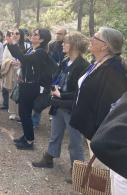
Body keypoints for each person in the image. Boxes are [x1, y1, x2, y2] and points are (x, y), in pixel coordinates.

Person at [32, 32, 90, 183]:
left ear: (75, 46)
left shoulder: (84, 66)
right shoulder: (65, 61)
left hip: (71, 107)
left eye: (66, 42)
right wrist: (54, 88)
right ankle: (49, 158)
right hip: (58, 105)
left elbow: (80, 92)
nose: (63, 44)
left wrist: (60, 94)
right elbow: (57, 77)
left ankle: (78, 171)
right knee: (55, 133)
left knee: (75, 141)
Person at [70, 27, 127, 155]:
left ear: (105, 46)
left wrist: (98, 135)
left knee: (99, 171)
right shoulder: (97, 62)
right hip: (90, 128)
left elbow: (109, 107)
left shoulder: (114, 69)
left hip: (99, 133)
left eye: (95, 37)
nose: (91, 39)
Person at [7, 28, 53, 150]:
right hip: (25, 84)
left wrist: (11, 44)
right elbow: (23, 59)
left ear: (42, 39)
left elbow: (24, 58)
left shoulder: (40, 52)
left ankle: (29, 141)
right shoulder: (31, 49)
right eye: (33, 33)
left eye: (35, 34)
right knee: (24, 113)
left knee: (25, 114)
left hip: (31, 86)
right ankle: (26, 136)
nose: (32, 35)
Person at [0, 29, 21, 118]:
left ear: (21, 35)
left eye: (17, 33)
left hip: (22, 71)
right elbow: (3, 59)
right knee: (12, 91)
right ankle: (12, 112)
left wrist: (20, 63)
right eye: (13, 33)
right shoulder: (7, 46)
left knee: (22, 92)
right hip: (11, 70)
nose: (15, 35)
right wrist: (10, 62)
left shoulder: (26, 45)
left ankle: (21, 112)